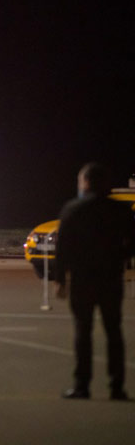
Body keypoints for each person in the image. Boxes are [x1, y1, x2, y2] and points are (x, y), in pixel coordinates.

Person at [55, 162, 135, 400]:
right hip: (110, 277)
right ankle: (117, 386)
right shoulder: (121, 211)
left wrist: (60, 279)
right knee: (113, 331)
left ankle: (82, 385)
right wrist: (119, 258)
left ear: (86, 182)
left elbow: (63, 248)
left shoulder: (73, 209)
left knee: (83, 331)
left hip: (83, 279)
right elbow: (133, 241)